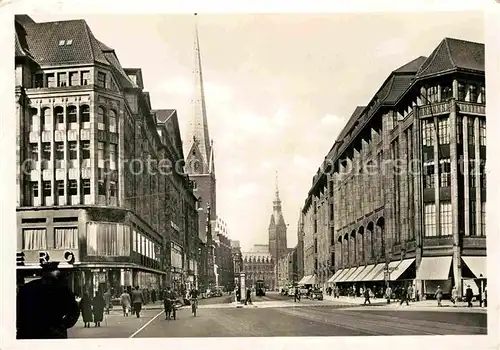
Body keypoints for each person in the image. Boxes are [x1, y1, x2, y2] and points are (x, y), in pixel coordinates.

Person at [16, 261, 80, 339]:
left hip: (32, 333)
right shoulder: (63, 289)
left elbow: (74, 311)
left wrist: (63, 325)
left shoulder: (28, 288)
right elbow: (74, 311)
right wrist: (63, 325)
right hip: (50, 333)